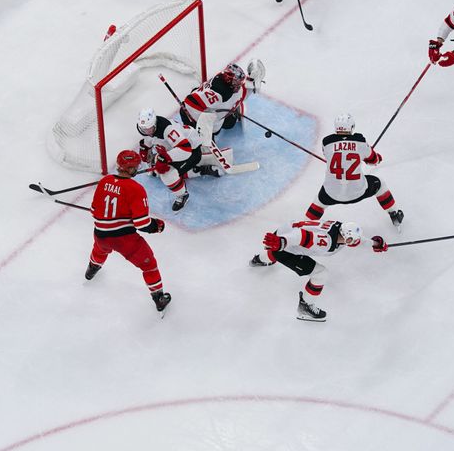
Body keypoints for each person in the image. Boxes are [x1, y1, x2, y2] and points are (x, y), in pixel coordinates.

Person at [249, 219, 388, 321]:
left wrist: (375, 243)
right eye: (351, 240)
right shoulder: (326, 241)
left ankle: (258, 260)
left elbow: (358, 240)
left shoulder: (341, 229)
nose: (354, 243)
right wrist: (282, 242)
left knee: (281, 252)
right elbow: (302, 237)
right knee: (320, 274)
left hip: (283, 233)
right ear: (346, 237)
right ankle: (306, 306)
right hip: (285, 243)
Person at [86, 150, 171, 313]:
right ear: (131, 168)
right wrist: (156, 225)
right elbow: (142, 223)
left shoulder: (105, 181)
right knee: (149, 265)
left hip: (100, 234)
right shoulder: (136, 189)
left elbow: (93, 210)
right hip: (124, 240)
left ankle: (92, 269)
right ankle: (158, 298)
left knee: (100, 249)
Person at [305, 113, 404, 231]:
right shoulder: (360, 141)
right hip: (358, 191)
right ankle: (394, 214)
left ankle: (306, 228)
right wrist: (376, 159)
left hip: (331, 193)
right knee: (379, 183)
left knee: (319, 202)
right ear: (351, 127)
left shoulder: (326, 142)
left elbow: (329, 156)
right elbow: (374, 159)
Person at [137, 108, 223, 212]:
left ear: (154, 124)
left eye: (149, 129)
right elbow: (149, 140)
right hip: (175, 148)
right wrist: (145, 148)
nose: (147, 132)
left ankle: (183, 195)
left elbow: (185, 149)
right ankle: (196, 170)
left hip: (192, 151)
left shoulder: (167, 130)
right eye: (144, 129)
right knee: (156, 169)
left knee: (166, 175)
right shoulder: (151, 129)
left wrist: (164, 158)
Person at [179, 59, 265, 136]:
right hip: (199, 119)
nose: (238, 85)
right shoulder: (223, 95)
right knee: (226, 125)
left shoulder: (221, 77)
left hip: (191, 110)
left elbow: (190, 100)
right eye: (236, 83)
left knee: (226, 123)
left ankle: (233, 111)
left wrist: (254, 78)